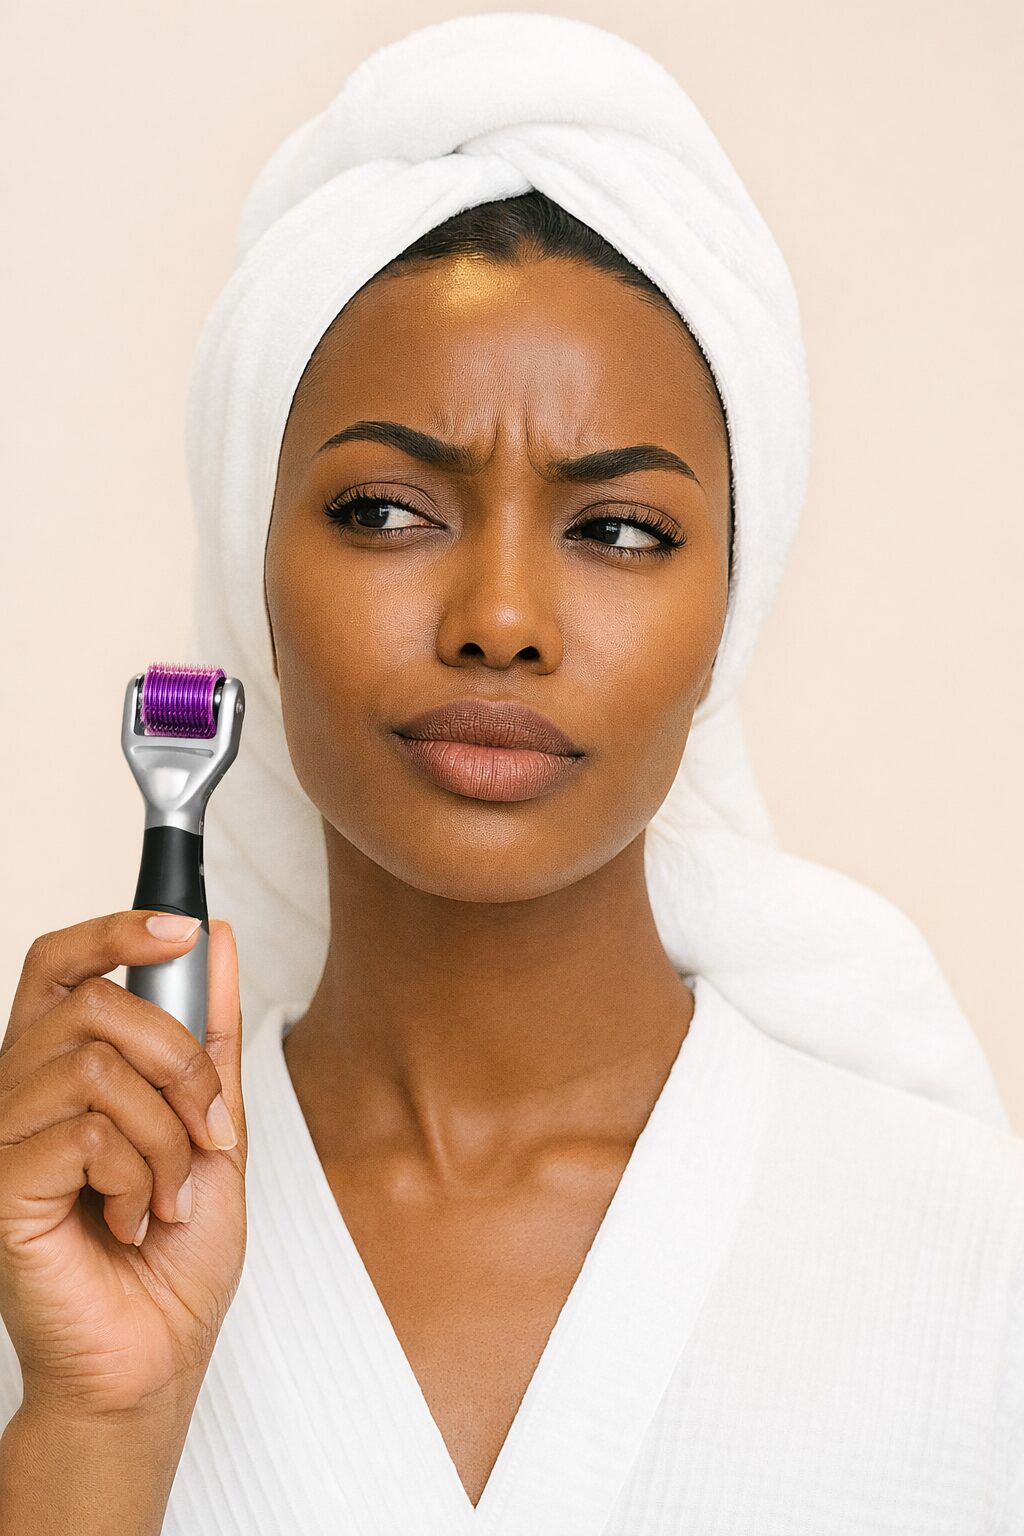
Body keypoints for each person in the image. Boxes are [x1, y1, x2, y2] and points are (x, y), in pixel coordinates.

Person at [1, 15, 1021, 1535]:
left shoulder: (970, 1261)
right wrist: (98, 1422)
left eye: (618, 531)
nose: (498, 622)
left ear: (728, 611)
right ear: (248, 571)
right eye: (386, 509)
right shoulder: (60, 1243)